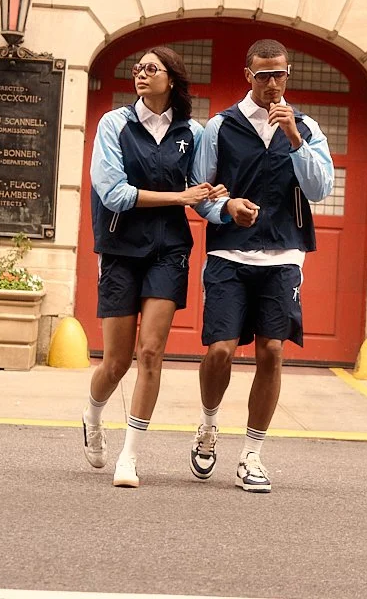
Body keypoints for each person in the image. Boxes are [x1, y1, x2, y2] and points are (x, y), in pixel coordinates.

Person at [190, 38, 334, 493]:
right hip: (229, 255)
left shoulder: (307, 128)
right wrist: (227, 206)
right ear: (248, 76)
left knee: (272, 350)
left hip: (284, 255)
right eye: (264, 75)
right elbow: (202, 188)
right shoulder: (220, 126)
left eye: (280, 75)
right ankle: (209, 425)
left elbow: (319, 189)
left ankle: (252, 453)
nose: (273, 84)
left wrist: (294, 138)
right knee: (220, 350)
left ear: (288, 75)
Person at [83, 46, 226, 489]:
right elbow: (114, 193)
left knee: (151, 352)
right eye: (137, 68)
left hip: (169, 251)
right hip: (121, 248)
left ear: (172, 80)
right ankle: (92, 414)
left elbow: (202, 196)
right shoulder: (114, 124)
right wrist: (180, 198)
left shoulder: (193, 133)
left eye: (151, 68)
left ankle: (130, 456)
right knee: (117, 362)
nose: (140, 74)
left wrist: (224, 203)